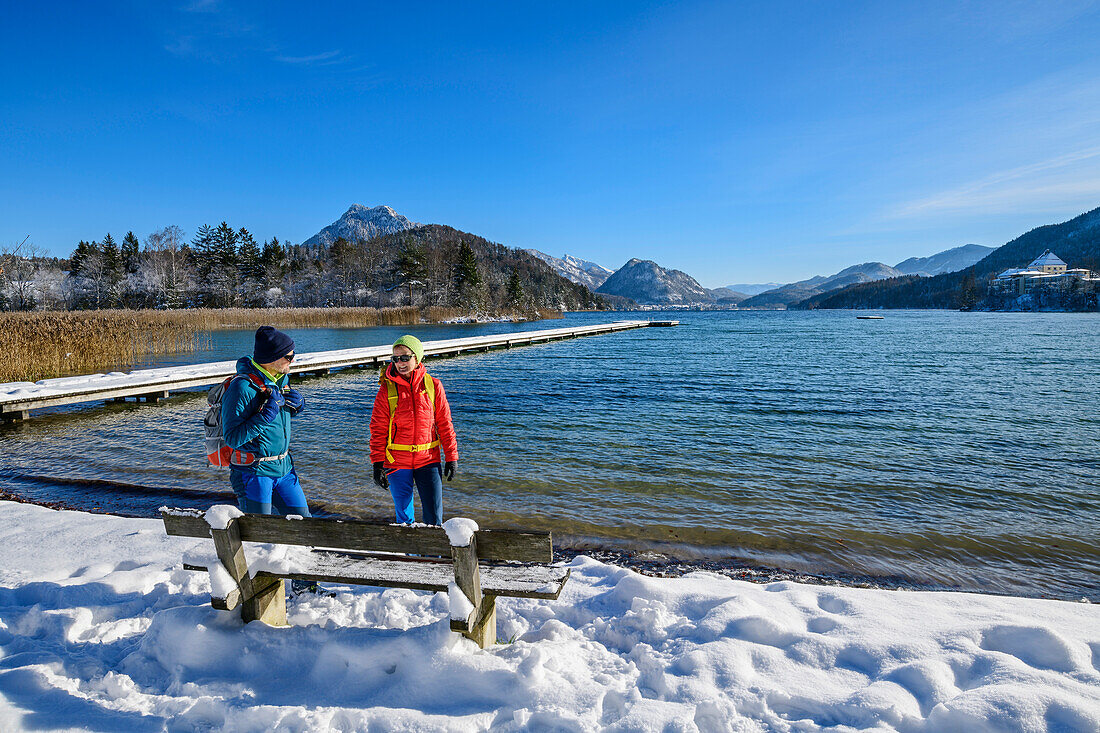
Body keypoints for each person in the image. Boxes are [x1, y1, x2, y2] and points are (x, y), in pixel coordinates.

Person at [222, 326, 310, 517]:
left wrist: (297, 406)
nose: (293, 360)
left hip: (285, 469)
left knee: (304, 525)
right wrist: (266, 415)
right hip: (254, 473)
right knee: (260, 534)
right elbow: (232, 438)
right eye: (288, 356)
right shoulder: (242, 388)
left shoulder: (281, 380)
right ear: (272, 358)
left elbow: (277, 420)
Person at [370, 335, 458, 525]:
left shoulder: (433, 386)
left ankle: (433, 555)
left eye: (405, 357)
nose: (400, 363)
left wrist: (451, 457)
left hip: (428, 459)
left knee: (434, 515)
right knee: (404, 517)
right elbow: (378, 430)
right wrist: (377, 464)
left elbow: (445, 424)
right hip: (396, 462)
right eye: (395, 359)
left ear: (417, 357)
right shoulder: (386, 390)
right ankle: (409, 554)